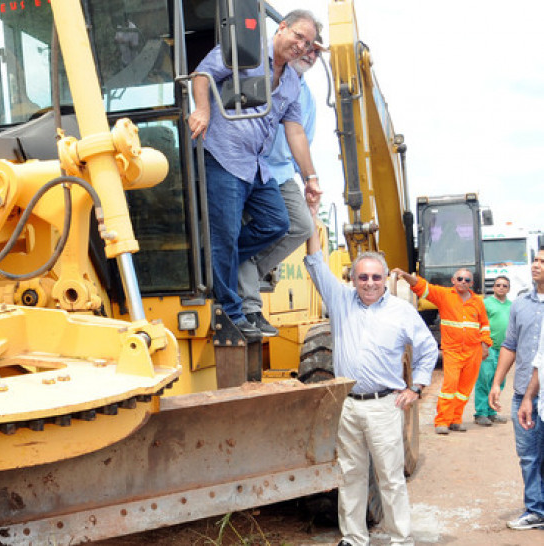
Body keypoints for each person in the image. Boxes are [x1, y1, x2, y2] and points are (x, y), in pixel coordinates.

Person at [304, 200, 437, 546]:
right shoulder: (339, 300)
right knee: (350, 475)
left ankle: (399, 536)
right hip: (348, 405)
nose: (369, 283)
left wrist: (417, 388)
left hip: (385, 405)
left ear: (385, 278)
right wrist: (312, 215)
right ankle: (354, 537)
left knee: (390, 476)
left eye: (376, 277)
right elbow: (317, 263)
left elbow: (428, 348)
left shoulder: (401, 311)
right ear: (353, 278)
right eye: (362, 277)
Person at [189, 10, 323, 337]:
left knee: (278, 223)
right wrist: (203, 110)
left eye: (308, 43)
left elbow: (295, 133)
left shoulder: (291, 81)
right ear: (281, 27)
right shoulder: (244, 51)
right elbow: (202, 75)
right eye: (298, 36)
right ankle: (233, 314)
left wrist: (310, 178)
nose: (302, 46)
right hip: (224, 155)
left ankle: (220, 258)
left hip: (255, 165)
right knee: (225, 234)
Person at [236, 39, 323, 337]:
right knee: (262, 226)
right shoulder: (259, 73)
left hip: (282, 172)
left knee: (301, 225)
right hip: (251, 166)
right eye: (307, 47)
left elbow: (301, 140)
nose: (309, 54)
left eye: (315, 51)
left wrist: (310, 179)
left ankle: (245, 263)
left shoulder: (307, 97)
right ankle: (250, 302)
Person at [392, 267, 492, 434]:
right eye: (459, 278)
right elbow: (423, 287)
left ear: (471, 283)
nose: (463, 282)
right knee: (450, 387)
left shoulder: (477, 302)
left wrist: (485, 345)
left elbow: (484, 325)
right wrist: (406, 275)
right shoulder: (445, 295)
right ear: (453, 281)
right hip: (453, 350)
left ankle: (455, 419)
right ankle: (442, 421)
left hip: (473, 351)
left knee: (464, 390)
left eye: (467, 280)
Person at [490, 249, 544, 530]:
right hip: (524, 392)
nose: (536, 265)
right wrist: (498, 382)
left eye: (542, 262)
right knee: (528, 456)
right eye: (535, 260)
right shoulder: (520, 305)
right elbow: (509, 345)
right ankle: (535, 510)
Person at [474, 275, 511, 426]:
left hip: (504, 349)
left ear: (509, 288)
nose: (501, 287)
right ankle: (481, 413)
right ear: (493, 287)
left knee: (498, 381)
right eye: (498, 285)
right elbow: (478, 324)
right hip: (487, 347)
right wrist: (482, 344)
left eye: (504, 285)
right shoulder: (485, 304)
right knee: (484, 379)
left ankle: (492, 412)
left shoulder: (512, 305)